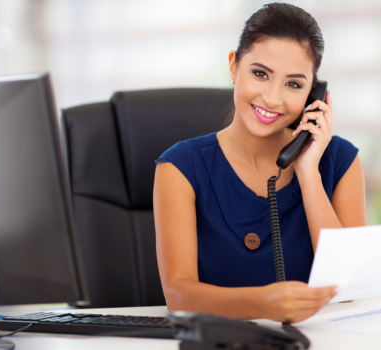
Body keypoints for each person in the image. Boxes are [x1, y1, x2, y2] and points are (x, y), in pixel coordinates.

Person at [153, 3, 365, 323]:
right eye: (260, 74)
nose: (272, 98)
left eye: (293, 84)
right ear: (234, 67)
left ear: (313, 94)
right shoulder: (181, 167)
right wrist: (262, 303)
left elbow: (350, 286)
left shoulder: (340, 161)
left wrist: (308, 173)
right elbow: (178, 296)